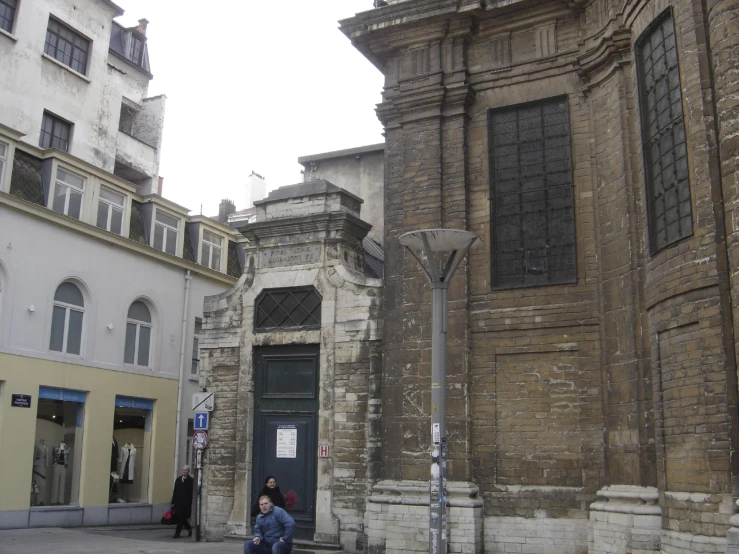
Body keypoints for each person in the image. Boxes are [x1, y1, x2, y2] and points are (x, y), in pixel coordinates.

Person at [170, 465, 194, 538]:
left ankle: (177, 533)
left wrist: (190, 502)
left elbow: (191, 492)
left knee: (181, 517)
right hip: (178, 502)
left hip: (186, 503)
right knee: (181, 518)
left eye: (186, 470)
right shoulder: (178, 479)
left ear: (188, 471)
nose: (184, 471)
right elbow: (175, 491)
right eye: (183, 470)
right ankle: (189, 529)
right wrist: (173, 502)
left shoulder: (191, 480)